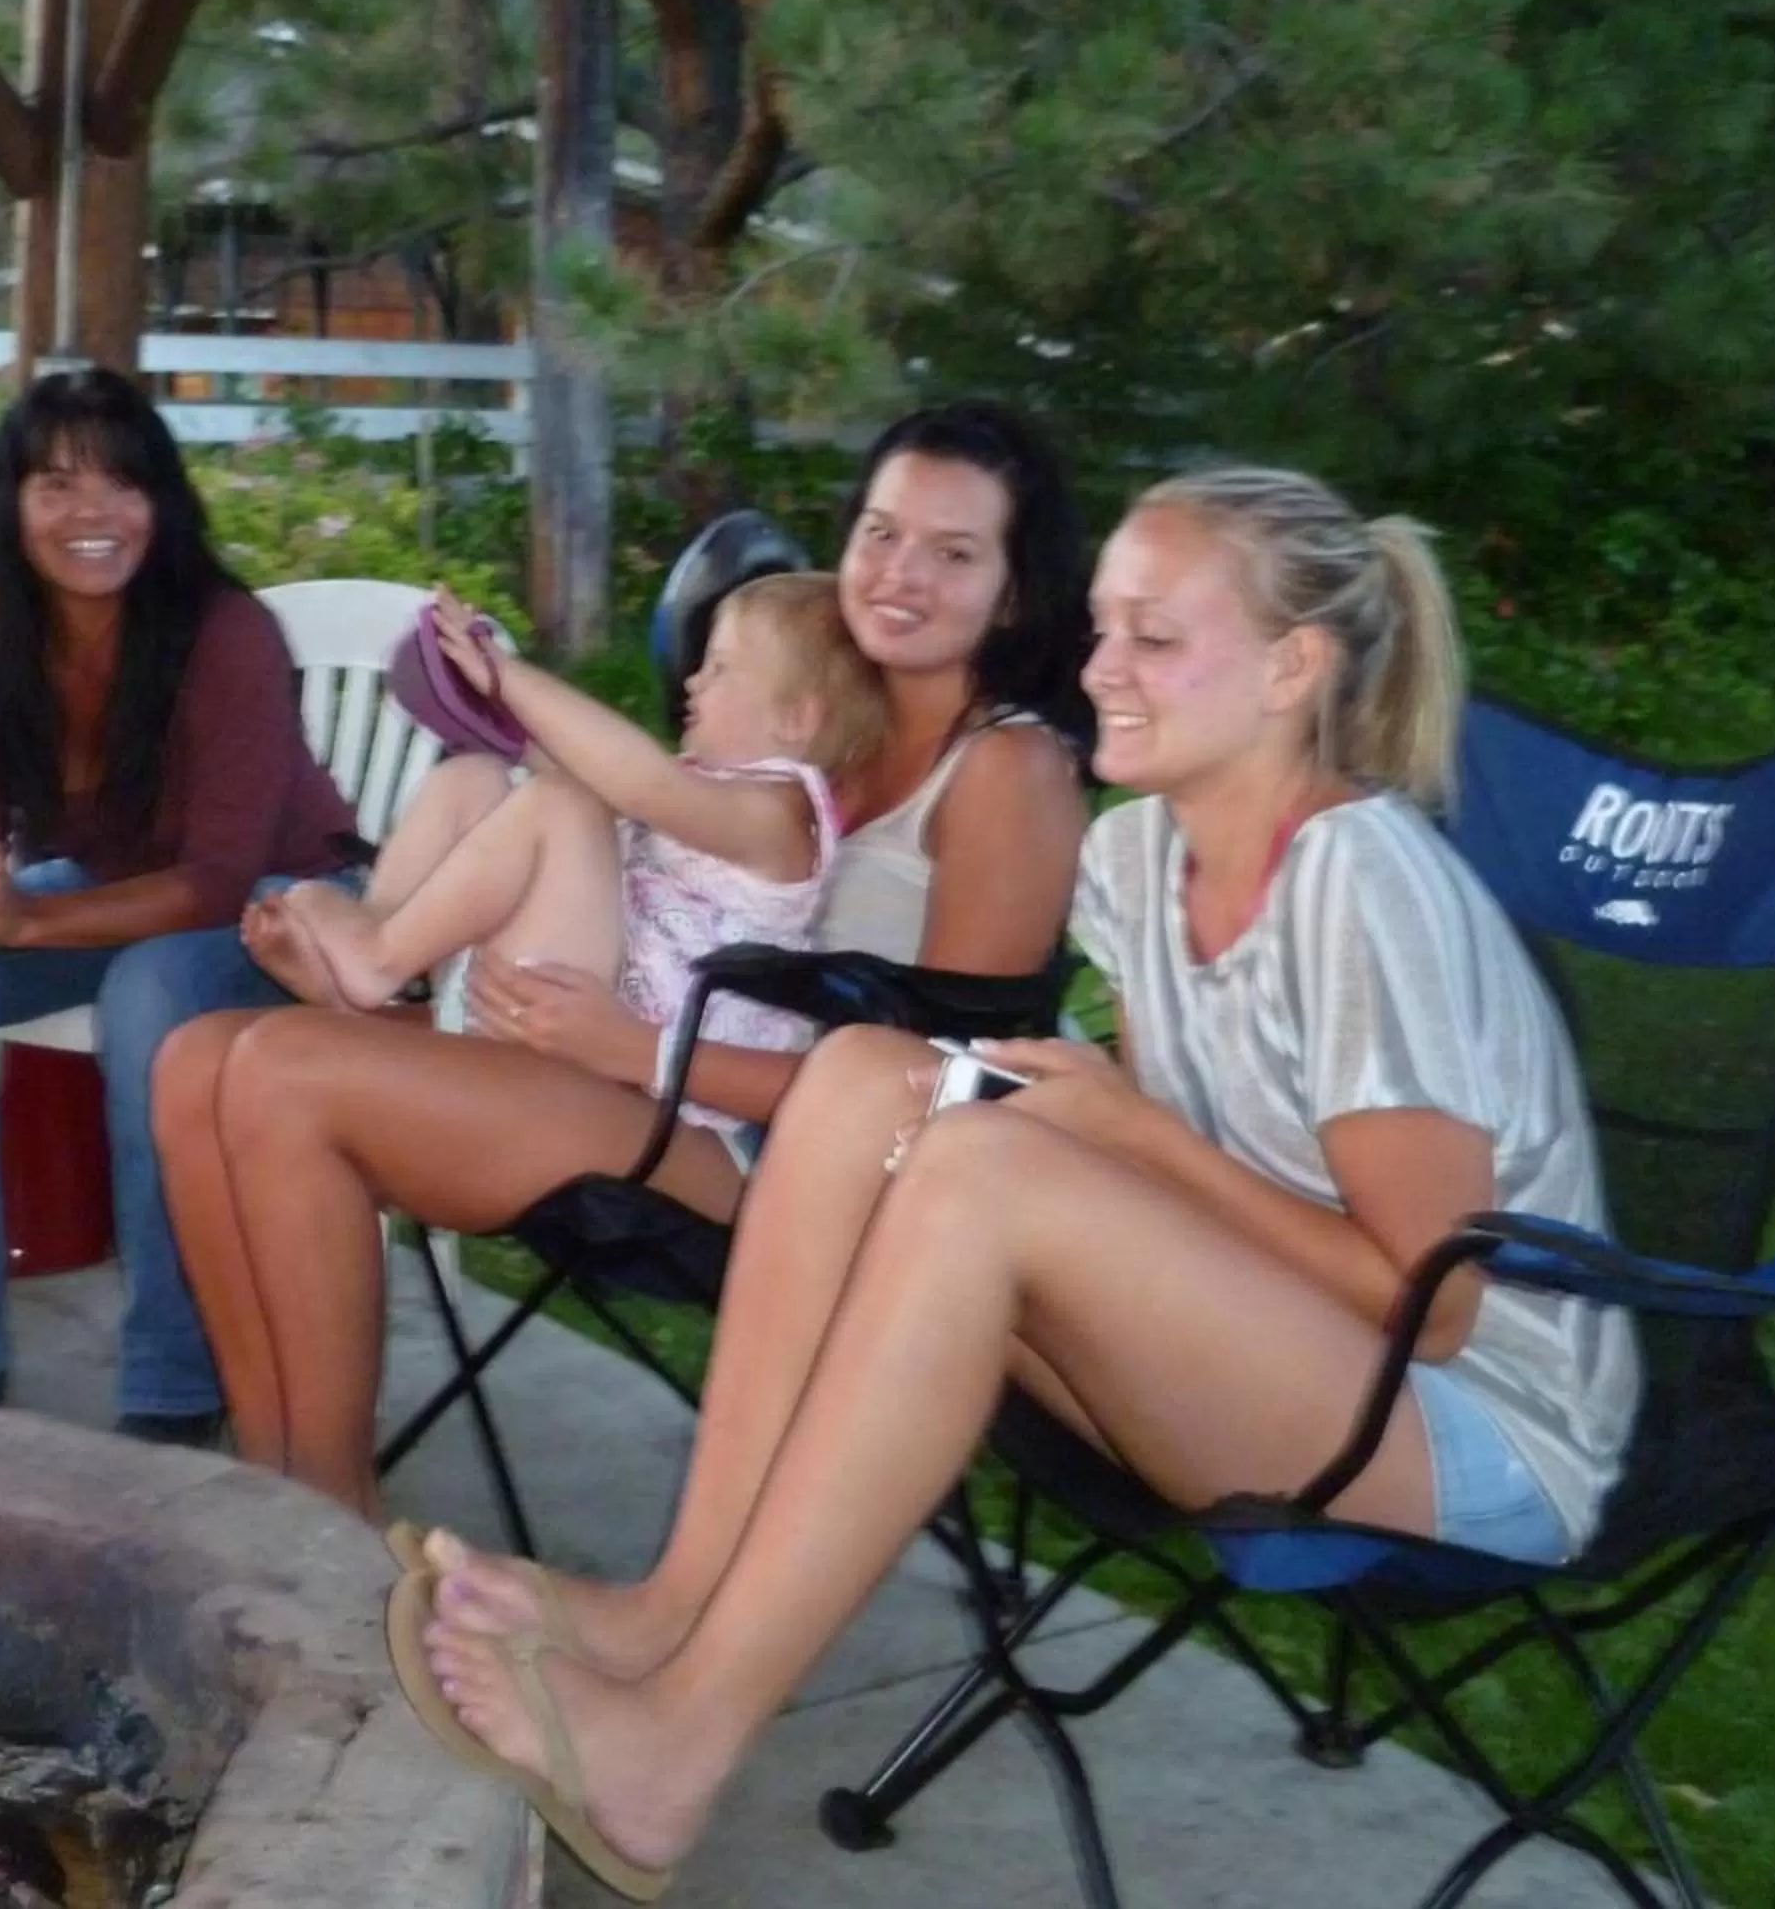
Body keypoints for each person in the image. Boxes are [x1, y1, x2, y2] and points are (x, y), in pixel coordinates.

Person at [396, 465, 1645, 1901]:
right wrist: (1040, 1106)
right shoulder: (1136, 856)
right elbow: (1178, 1125)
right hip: (1286, 1354)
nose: (1100, 666)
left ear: (1295, 667)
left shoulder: (1362, 883)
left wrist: (1131, 1138)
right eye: (1102, 626)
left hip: (1472, 1426)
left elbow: (1429, 1301)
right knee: (871, 1071)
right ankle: (671, 1606)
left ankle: (677, 1743)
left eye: (1156, 637)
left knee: (982, 1174)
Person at [151, 401, 1096, 1516]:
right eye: (881, 533)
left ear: (1017, 588)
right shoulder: (816, 716)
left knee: (279, 1074)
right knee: (200, 1059)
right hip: (631, 1056)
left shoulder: (1006, 772)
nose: (901, 574)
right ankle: (277, 1493)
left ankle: (329, 1521)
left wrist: (639, 1049)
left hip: (773, 1155)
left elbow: (948, 1091)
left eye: (954, 552)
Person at [0, 365, 360, 1441]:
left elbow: (220, 879)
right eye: (57, 487)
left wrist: (26, 919)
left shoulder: (225, 634)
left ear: (161, 503)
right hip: (121, 884)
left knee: (150, 991)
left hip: (289, 901)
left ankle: (178, 1379)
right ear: (12, 506)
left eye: (122, 486)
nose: (93, 516)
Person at [254, 573, 884, 1138]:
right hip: (549, 999)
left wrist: (509, 676)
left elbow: (638, 784)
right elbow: (612, 783)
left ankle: (378, 962)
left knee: (563, 806)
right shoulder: (716, 792)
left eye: (719, 669)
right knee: (474, 776)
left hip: (613, 1065)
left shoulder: (779, 819)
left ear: (796, 720)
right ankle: (381, 954)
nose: (693, 680)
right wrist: (501, 725)